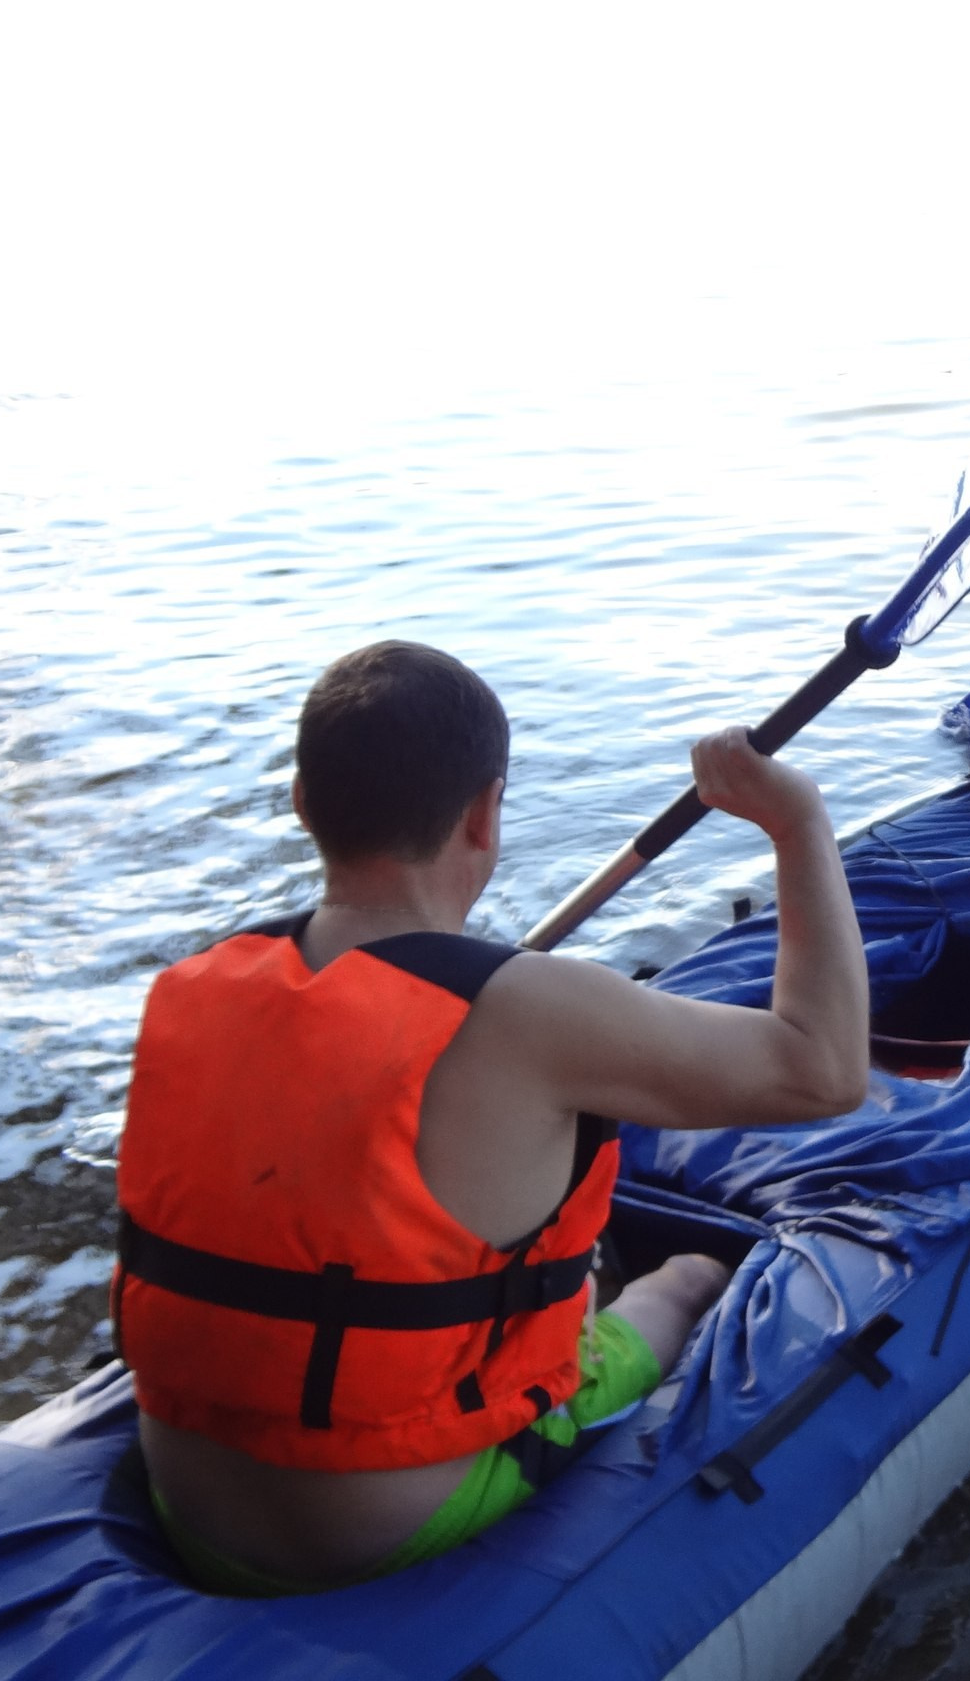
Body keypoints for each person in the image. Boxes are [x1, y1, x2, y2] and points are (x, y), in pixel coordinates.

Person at [112, 640, 868, 1595]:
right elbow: (826, 1067)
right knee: (681, 1278)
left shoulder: (193, 984)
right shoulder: (532, 1010)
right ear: (484, 813)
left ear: (305, 804)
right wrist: (797, 822)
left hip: (189, 1500)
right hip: (382, 1525)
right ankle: (659, 1318)